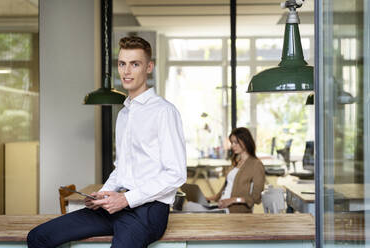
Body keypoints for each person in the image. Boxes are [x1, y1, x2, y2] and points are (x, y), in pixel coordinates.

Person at [27, 36, 187, 248]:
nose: (126, 71)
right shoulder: (124, 115)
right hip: (117, 204)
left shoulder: (164, 112)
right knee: (38, 237)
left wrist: (126, 199)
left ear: (149, 67)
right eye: (122, 64)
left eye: (135, 64)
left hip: (149, 211)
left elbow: (176, 173)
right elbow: (122, 169)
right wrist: (103, 193)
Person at [206, 127, 265, 213]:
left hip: (234, 211)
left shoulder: (256, 165)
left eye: (236, 142)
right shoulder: (235, 163)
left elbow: (256, 198)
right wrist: (207, 199)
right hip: (221, 206)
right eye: (232, 142)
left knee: (193, 210)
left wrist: (232, 200)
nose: (232, 145)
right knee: (192, 206)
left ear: (245, 141)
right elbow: (222, 192)